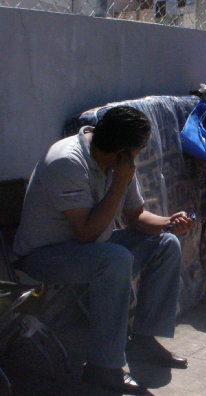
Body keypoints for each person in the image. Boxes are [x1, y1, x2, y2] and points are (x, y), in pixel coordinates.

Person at [13, 106, 195, 395]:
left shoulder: (118, 162)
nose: (136, 158)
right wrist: (120, 183)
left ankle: (144, 340)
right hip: (43, 256)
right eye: (136, 152)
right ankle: (103, 367)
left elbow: (137, 217)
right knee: (115, 259)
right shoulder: (67, 162)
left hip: (94, 248)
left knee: (165, 243)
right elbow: (86, 233)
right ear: (123, 152)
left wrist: (170, 222)